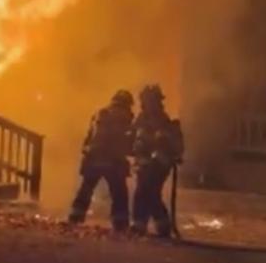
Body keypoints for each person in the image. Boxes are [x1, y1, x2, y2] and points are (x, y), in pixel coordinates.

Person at [68, 90, 134, 231]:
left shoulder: (100, 113)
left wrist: (86, 150)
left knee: (86, 189)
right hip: (113, 161)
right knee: (119, 193)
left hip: (93, 158)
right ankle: (120, 223)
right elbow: (125, 141)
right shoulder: (124, 116)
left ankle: (75, 217)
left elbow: (89, 136)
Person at [132, 84, 184, 237]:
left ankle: (152, 225)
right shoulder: (141, 119)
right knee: (146, 193)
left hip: (159, 164)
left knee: (148, 192)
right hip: (144, 164)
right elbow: (134, 138)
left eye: (147, 101)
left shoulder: (163, 120)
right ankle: (148, 225)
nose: (144, 104)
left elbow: (166, 143)